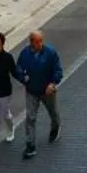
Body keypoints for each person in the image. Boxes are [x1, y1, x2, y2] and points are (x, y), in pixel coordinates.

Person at [14, 29, 63, 159]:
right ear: (31, 42)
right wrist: (23, 78)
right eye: (37, 41)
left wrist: (52, 84)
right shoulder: (25, 54)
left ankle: (55, 127)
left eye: (41, 41)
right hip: (32, 91)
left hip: (47, 90)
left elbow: (58, 70)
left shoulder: (50, 53)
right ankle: (30, 145)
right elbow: (18, 69)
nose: (40, 44)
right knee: (30, 117)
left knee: (53, 112)